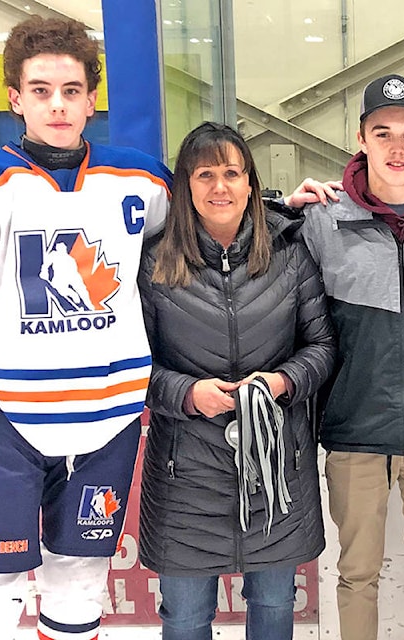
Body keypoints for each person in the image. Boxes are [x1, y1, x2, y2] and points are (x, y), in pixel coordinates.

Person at [0, 16, 171, 639]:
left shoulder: (141, 180)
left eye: (72, 90)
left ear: (91, 99)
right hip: (2, 422)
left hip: (109, 421)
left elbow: (211, 217)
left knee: (79, 578)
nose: (58, 104)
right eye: (42, 90)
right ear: (16, 99)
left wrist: (283, 210)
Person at [137, 121, 336, 640]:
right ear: (185, 185)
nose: (220, 186)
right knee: (184, 616)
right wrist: (185, 393)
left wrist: (284, 382)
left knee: (273, 603)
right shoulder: (154, 262)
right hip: (186, 474)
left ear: (251, 183)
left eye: (232, 172)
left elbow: (322, 347)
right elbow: (134, 364)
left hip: (276, 467)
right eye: (205, 174)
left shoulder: (290, 254)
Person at [298, 74, 404, 640]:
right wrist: (283, 205)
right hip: (354, 429)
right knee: (357, 574)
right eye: (383, 133)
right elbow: (260, 259)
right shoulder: (322, 220)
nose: (397, 148)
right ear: (361, 138)